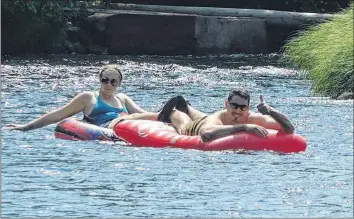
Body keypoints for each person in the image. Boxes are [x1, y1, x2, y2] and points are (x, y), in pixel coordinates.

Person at [5, 65, 157, 131]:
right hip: (109, 127)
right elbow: (58, 114)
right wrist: (26, 127)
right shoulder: (88, 98)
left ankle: (172, 115)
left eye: (113, 82)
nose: (108, 84)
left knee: (136, 116)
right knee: (126, 118)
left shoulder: (122, 98)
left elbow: (141, 114)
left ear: (119, 84)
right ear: (99, 80)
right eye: (105, 80)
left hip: (129, 123)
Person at [113, 89, 295, 143]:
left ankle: (185, 104)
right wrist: (245, 128)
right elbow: (206, 134)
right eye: (234, 105)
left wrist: (270, 110)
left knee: (190, 110)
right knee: (174, 115)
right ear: (226, 104)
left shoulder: (253, 117)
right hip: (191, 127)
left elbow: (289, 128)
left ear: (247, 108)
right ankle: (128, 116)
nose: (238, 111)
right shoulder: (218, 118)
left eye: (242, 107)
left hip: (204, 118)